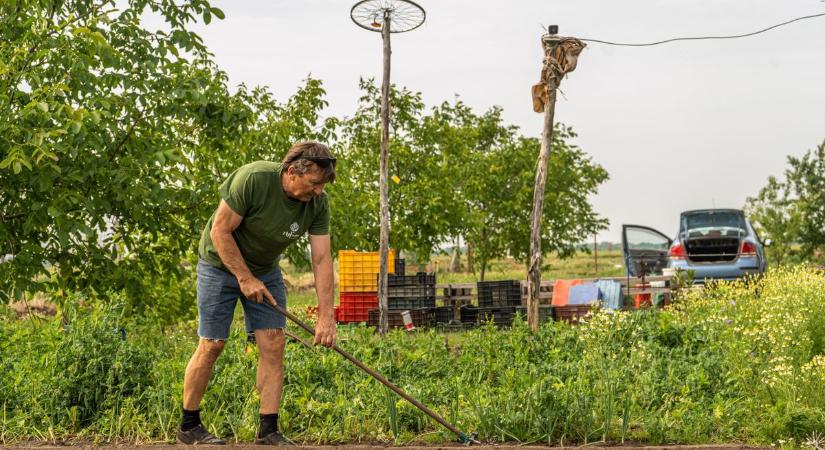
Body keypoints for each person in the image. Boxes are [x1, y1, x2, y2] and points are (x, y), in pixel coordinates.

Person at [177, 141, 338, 445]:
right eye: (315, 183)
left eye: (323, 185)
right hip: (219, 264)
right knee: (212, 344)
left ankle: (268, 430)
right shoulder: (253, 179)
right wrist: (244, 277)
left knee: (274, 341)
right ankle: (189, 426)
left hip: (264, 270)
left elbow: (321, 259)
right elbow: (219, 231)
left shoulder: (318, 203)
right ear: (292, 172)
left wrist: (326, 317)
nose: (319, 191)